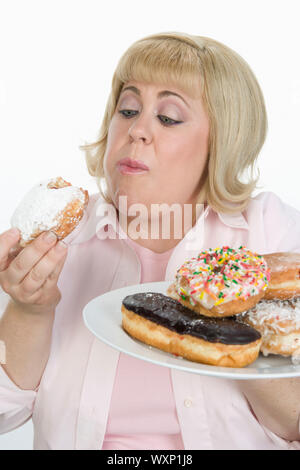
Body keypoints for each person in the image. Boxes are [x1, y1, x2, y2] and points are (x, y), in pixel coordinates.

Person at [0, 31, 299, 450]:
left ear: (222, 143)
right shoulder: (58, 242)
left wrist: (229, 310)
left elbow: (294, 424)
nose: (137, 129)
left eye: (169, 117)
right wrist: (29, 310)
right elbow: (4, 413)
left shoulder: (268, 235)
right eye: (127, 109)